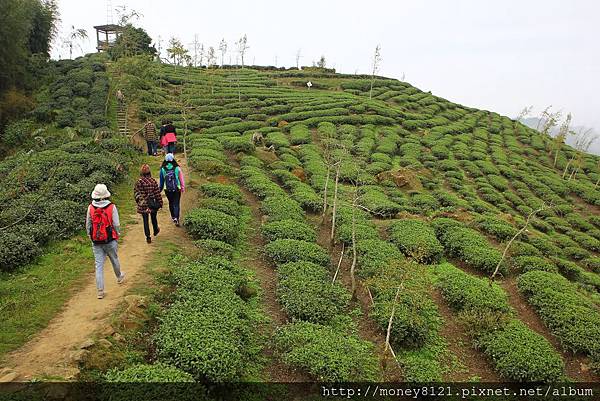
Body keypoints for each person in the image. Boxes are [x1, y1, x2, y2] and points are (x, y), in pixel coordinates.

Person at [86, 184, 125, 299]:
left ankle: (100, 291)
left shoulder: (90, 208)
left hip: (96, 240)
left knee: (99, 265)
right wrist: (117, 234)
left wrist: (90, 236)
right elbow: (116, 224)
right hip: (110, 238)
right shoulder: (111, 207)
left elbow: (88, 224)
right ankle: (119, 277)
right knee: (114, 258)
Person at [134, 164, 163, 243]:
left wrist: (139, 202)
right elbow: (157, 193)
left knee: (145, 221)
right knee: (154, 217)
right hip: (152, 203)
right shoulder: (153, 181)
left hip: (143, 204)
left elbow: (136, 194)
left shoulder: (138, 182)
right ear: (149, 172)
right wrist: (160, 202)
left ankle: (148, 237)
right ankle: (155, 230)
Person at [159, 153, 185, 226]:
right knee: (176, 204)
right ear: (173, 159)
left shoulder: (163, 169)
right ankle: (177, 218)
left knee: (170, 203)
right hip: (177, 189)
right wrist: (182, 188)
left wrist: (159, 190)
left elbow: (161, 182)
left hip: (167, 189)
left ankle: (173, 217)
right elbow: (181, 179)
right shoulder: (177, 168)